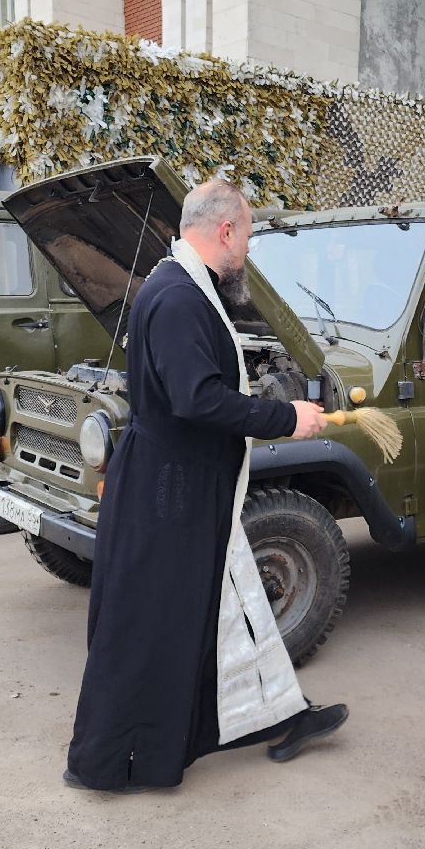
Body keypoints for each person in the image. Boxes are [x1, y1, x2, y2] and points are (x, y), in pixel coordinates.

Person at [64, 179, 349, 793]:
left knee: (219, 605)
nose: (247, 248)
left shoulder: (178, 287)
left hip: (182, 482)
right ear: (225, 231)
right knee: (153, 623)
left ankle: (275, 717)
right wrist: (286, 418)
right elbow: (197, 400)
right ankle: (118, 760)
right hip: (172, 489)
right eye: (246, 234)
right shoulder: (177, 298)